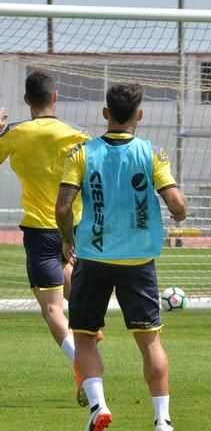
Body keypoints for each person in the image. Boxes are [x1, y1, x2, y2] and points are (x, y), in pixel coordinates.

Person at [55, 83, 187, 431]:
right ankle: (162, 421)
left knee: (84, 336)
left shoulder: (81, 153)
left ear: (105, 113)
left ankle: (98, 406)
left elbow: (63, 207)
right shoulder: (151, 154)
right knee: (149, 342)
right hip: (138, 262)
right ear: (139, 115)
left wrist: (67, 239)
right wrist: (177, 211)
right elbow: (178, 206)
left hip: (93, 258)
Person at [0, 70, 93, 406]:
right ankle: (89, 325)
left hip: (40, 231)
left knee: (52, 310)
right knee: (69, 281)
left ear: (26, 100)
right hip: (74, 230)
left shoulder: (14, 135)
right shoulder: (78, 136)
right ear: (55, 97)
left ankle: (81, 365)